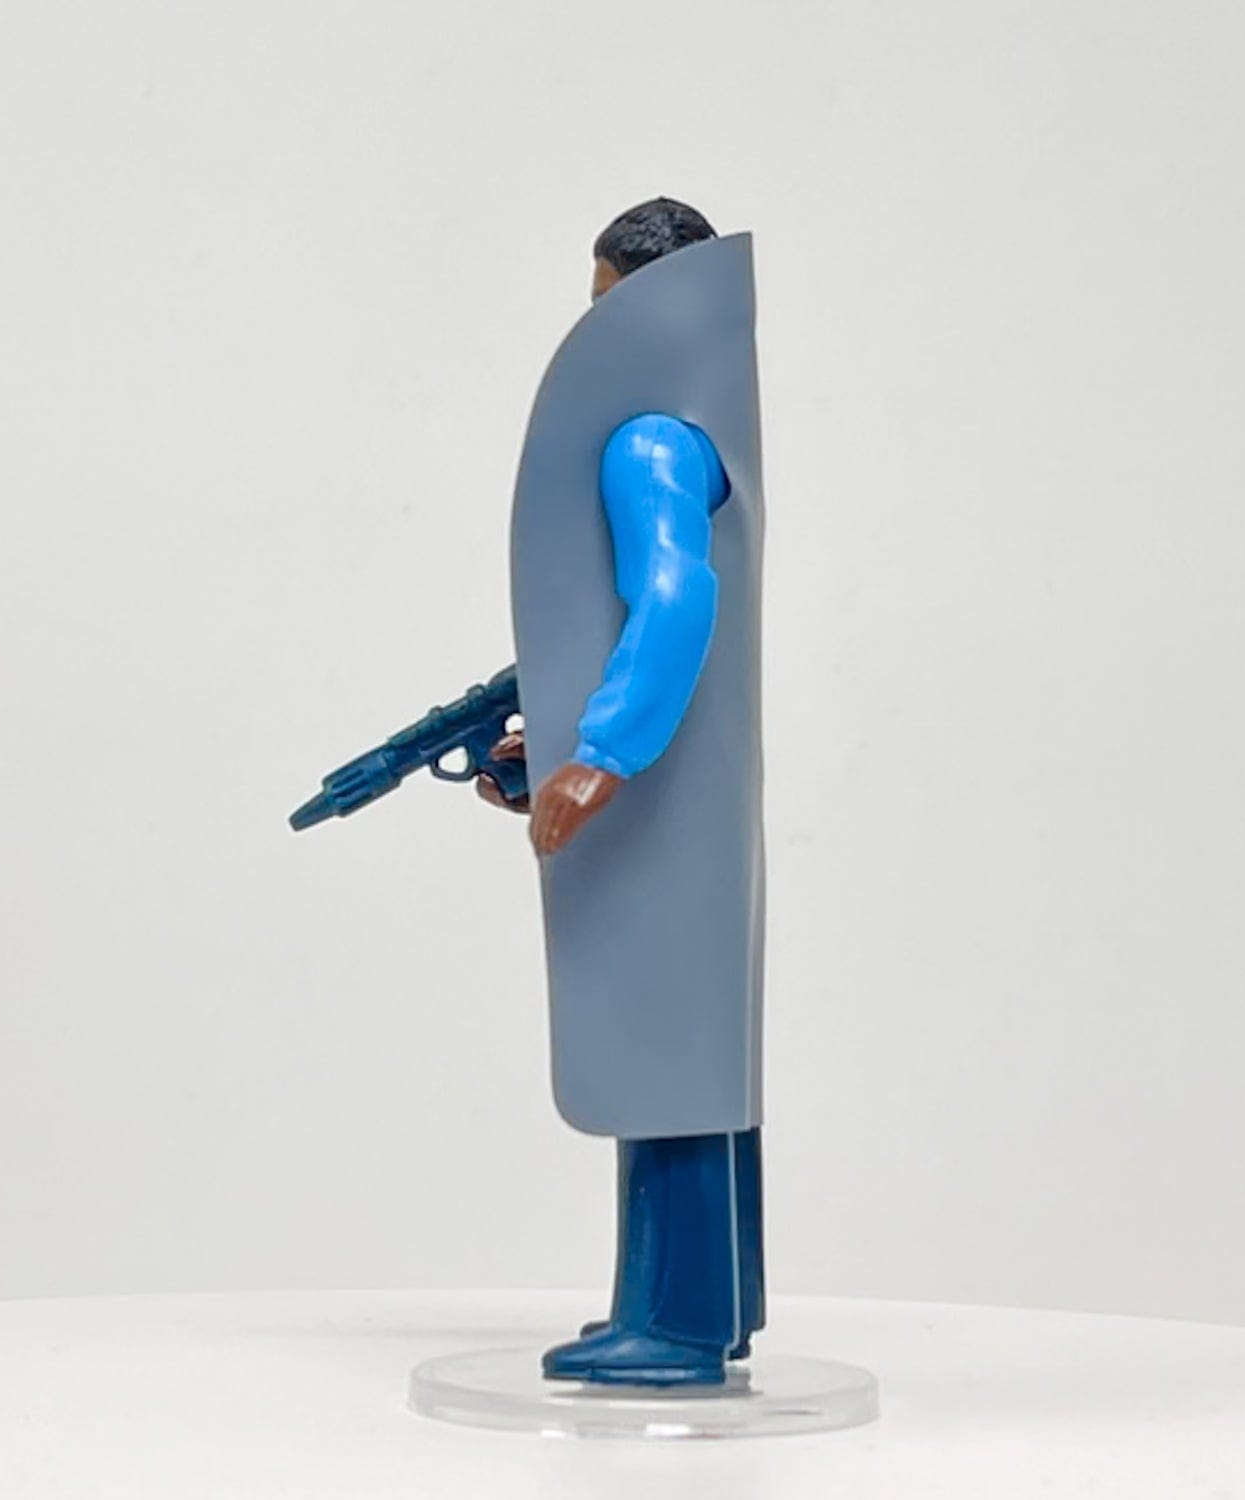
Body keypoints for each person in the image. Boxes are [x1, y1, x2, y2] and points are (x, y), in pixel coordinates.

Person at [480, 198, 767, 1386]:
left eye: (606, 298)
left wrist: (598, 753)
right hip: (697, 794)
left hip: (654, 797)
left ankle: (678, 1328)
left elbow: (673, 599)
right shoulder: (708, 435)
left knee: (659, 1051)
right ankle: (711, 1303)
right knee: (696, 1053)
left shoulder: (647, 439)